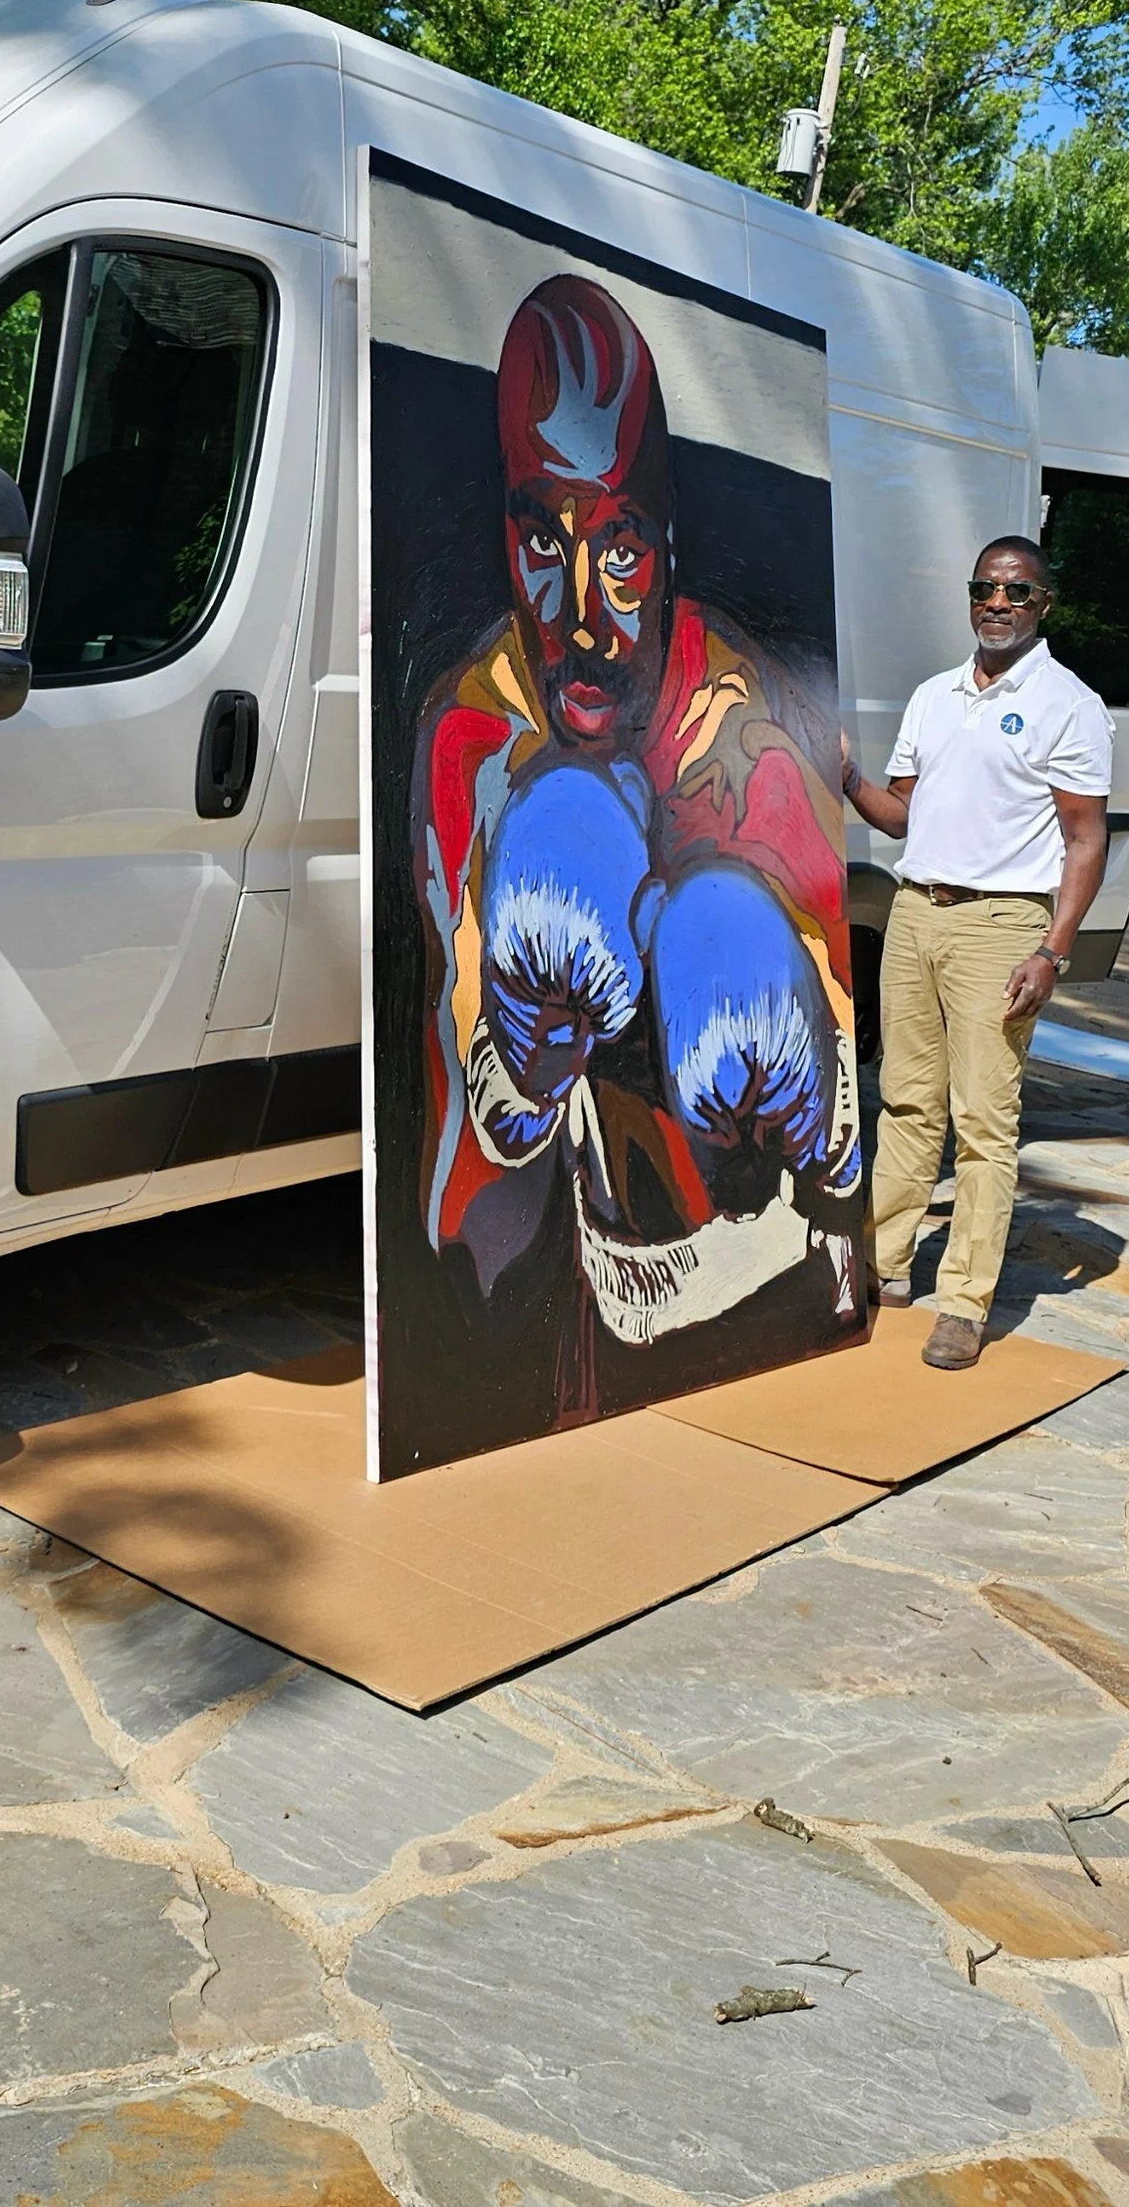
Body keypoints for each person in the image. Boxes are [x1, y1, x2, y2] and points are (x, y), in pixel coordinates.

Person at [414, 273, 863, 1427]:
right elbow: (484, 1114)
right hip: (529, 1313)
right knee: (556, 819)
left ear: (665, 547)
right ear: (506, 547)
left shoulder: (736, 714)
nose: (578, 614)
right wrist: (516, 1048)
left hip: (741, 1285)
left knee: (725, 927)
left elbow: (797, 890)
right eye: (541, 546)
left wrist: (802, 1044)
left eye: (616, 553)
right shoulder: (475, 717)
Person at [839, 537, 1111, 1370]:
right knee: (909, 1104)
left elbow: (1084, 837)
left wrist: (1052, 952)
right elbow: (897, 819)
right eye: (986, 589)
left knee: (985, 1125)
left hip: (1000, 929)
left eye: (1017, 592)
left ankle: (964, 1301)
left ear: (1044, 604)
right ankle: (881, 1268)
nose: (998, 603)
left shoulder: (1069, 703)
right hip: (916, 913)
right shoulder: (934, 697)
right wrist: (845, 774)